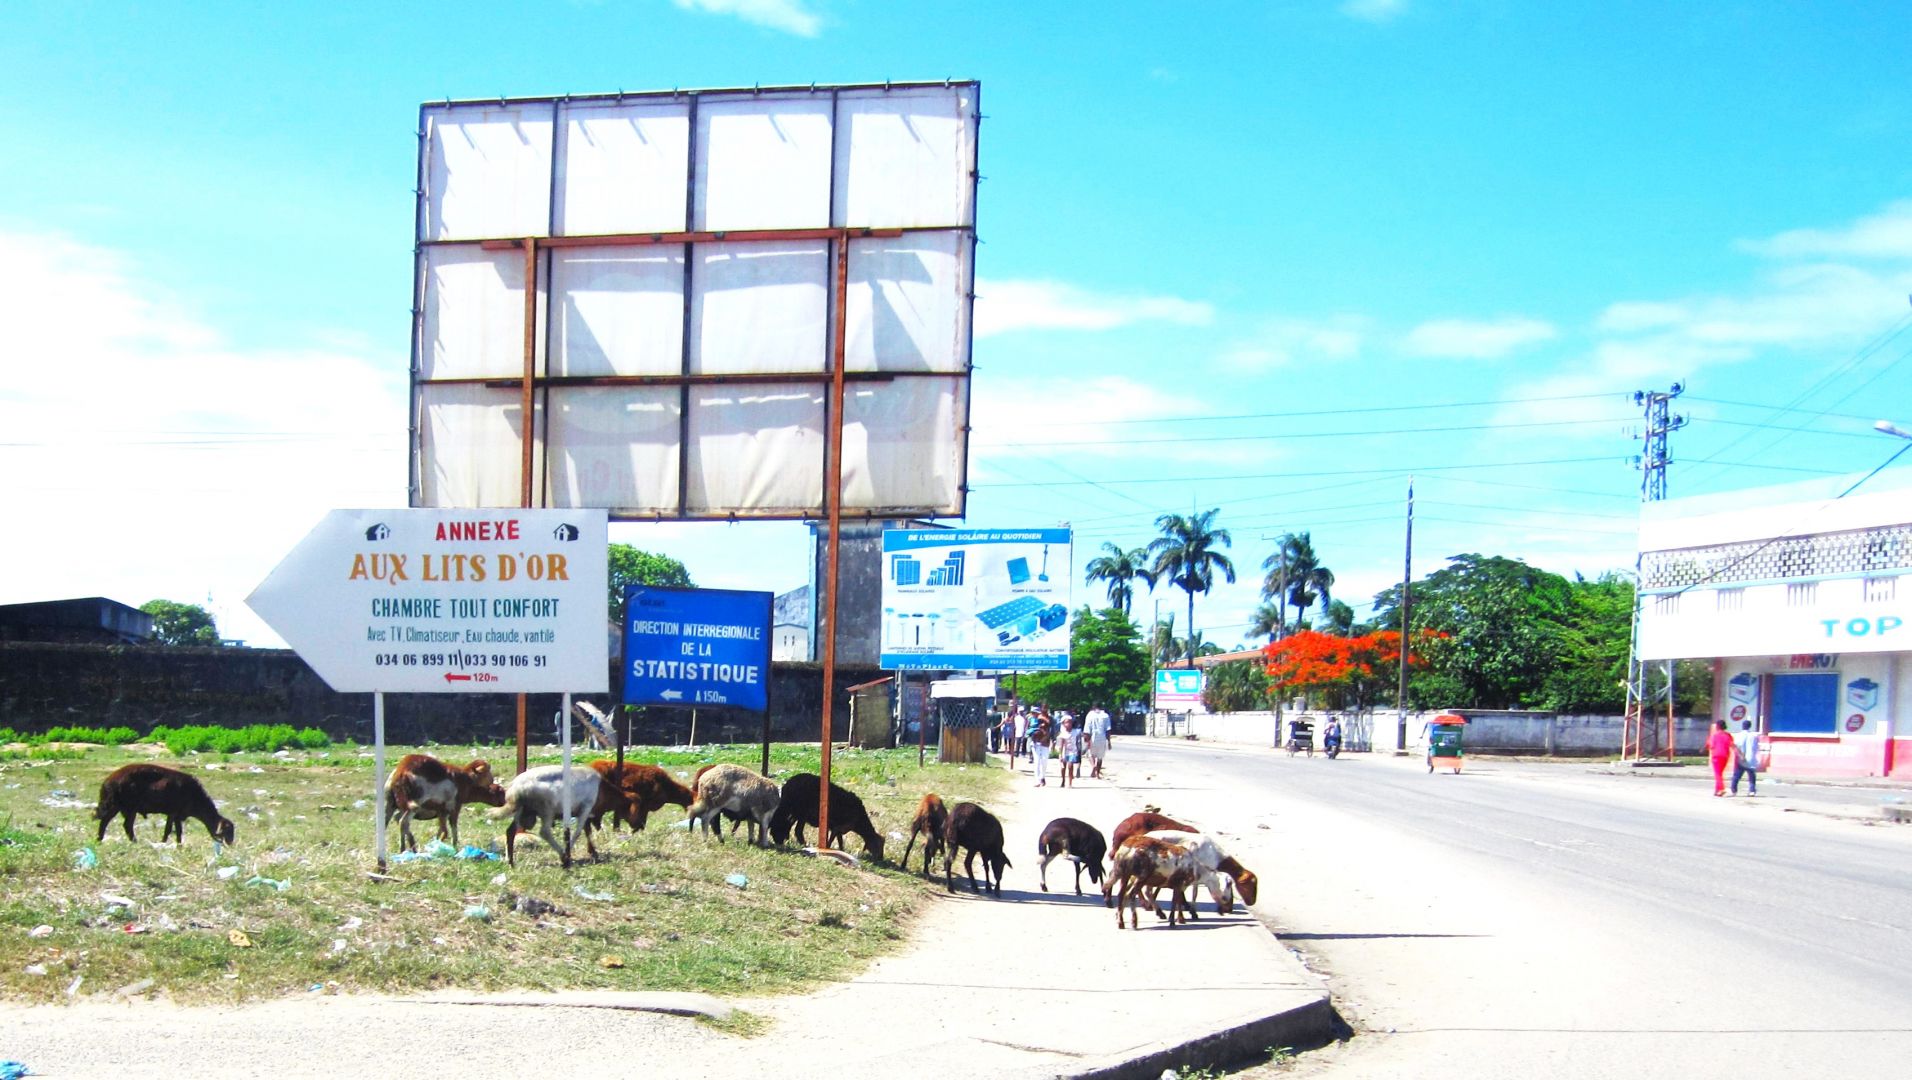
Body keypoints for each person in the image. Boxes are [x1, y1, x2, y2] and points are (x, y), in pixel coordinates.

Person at [1731, 719, 1762, 796]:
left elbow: (1735, 746)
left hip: (1741, 759)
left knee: (1737, 776)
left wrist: (1740, 756)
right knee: (1752, 776)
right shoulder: (1753, 736)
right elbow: (1756, 748)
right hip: (1751, 759)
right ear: (1750, 726)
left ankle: (1734, 790)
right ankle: (1752, 790)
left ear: (1742, 726)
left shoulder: (1738, 735)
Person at [1707, 719, 1734, 797]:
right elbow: (1732, 745)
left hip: (1716, 756)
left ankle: (1721, 789)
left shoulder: (1714, 735)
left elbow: (1711, 745)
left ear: (1718, 726)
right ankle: (1717, 790)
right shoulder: (1728, 735)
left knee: (1717, 774)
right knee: (1720, 773)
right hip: (1725, 756)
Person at [1084, 704, 1112, 778]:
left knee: (1090, 755)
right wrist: (1109, 742)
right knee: (1100, 757)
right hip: (1102, 738)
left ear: (1093, 707)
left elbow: (1087, 730)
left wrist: (1087, 741)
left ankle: (1093, 766)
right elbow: (1108, 730)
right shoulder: (1105, 716)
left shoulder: (1090, 715)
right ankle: (1097, 774)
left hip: (1093, 737)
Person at [1030, 707, 1054, 786]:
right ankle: (1037, 780)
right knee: (1037, 761)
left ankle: (1042, 777)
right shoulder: (1035, 719)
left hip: (1045, 743)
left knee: (1044, 761)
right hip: (1036, 742)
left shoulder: (1050, 719)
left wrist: (1052, 740)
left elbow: (1051, 728)